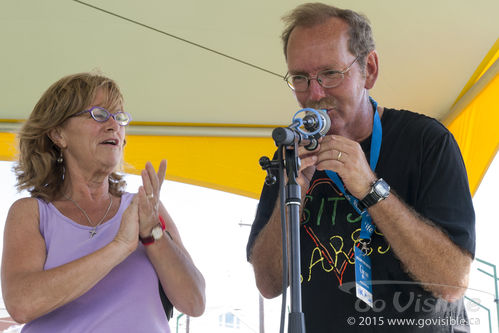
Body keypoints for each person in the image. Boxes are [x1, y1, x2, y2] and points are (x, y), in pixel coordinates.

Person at [247, 3, 475, 332]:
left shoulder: (427, 142)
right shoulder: (291, 153)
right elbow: (268, 284)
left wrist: (371, 188)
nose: (315, 93)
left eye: (330, 73)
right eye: (300, 78)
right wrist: (289, 196)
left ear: (369, 69)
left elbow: (453, 281)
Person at [1, 72, 206, 332]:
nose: (113, 126)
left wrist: (153, 234)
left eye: (119, 117)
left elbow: (194, 302)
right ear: (58, 134)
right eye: (98, 115)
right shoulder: (32, 213)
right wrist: (119, 246)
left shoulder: (144, 208)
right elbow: (21, 304)